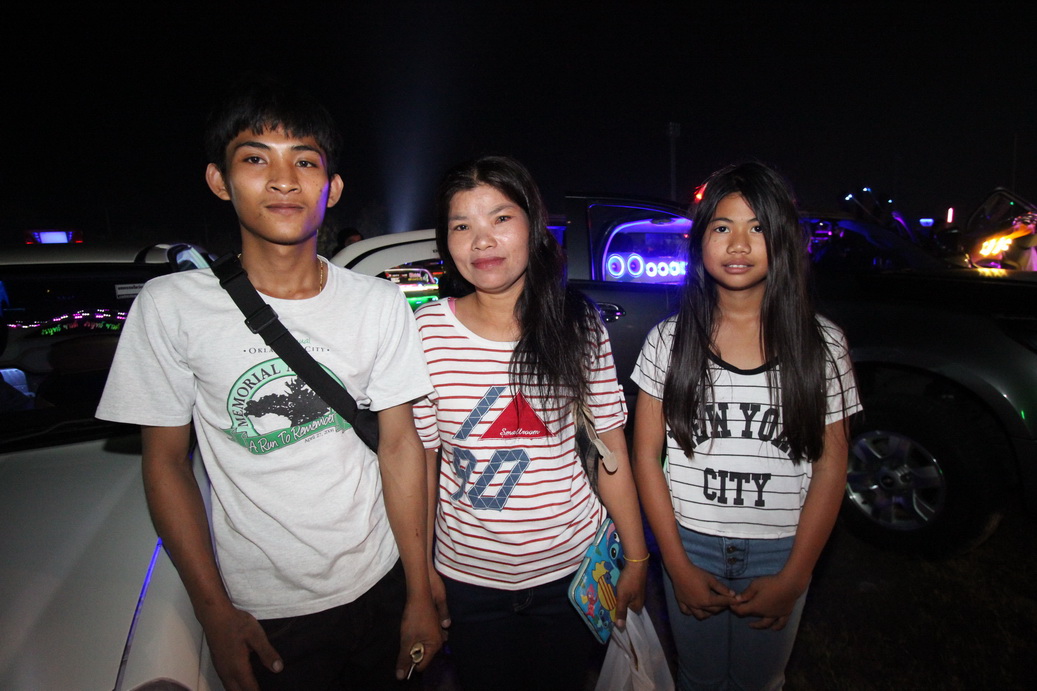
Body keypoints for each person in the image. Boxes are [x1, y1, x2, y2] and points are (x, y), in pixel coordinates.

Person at [96, 79, 442, 690]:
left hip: (383, 579)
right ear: (219, 180)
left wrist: (419, 588)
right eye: (256, 159)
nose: (284, 181)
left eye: (305, 162)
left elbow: (400, 446)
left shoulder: (379, 302)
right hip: (268, 609)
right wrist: (215, 613)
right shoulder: (171, 306)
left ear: (332, 188)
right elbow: (167, 463)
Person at [412, 155, 649, 690]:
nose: (482, 240)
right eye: (461, 226)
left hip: (572, 571)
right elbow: (424, 461)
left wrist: (636, 555)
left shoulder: (576, 323)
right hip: (468, 577)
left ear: (533, 226)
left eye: (501, 218)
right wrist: (423, 573)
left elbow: (610, 446)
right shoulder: (427, 331)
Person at [630, 161, 860, 690]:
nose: (738, 244)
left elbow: (831, 465)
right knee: (698, 677)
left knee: (762, 680)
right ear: (699, 242)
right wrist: (676, 565)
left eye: (757, 227)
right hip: (690, 542)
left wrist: (796, 574)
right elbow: (645, 456)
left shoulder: (822, 344)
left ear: (785, 240)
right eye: (722, 227)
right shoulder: (668, 341)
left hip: (782, 547)